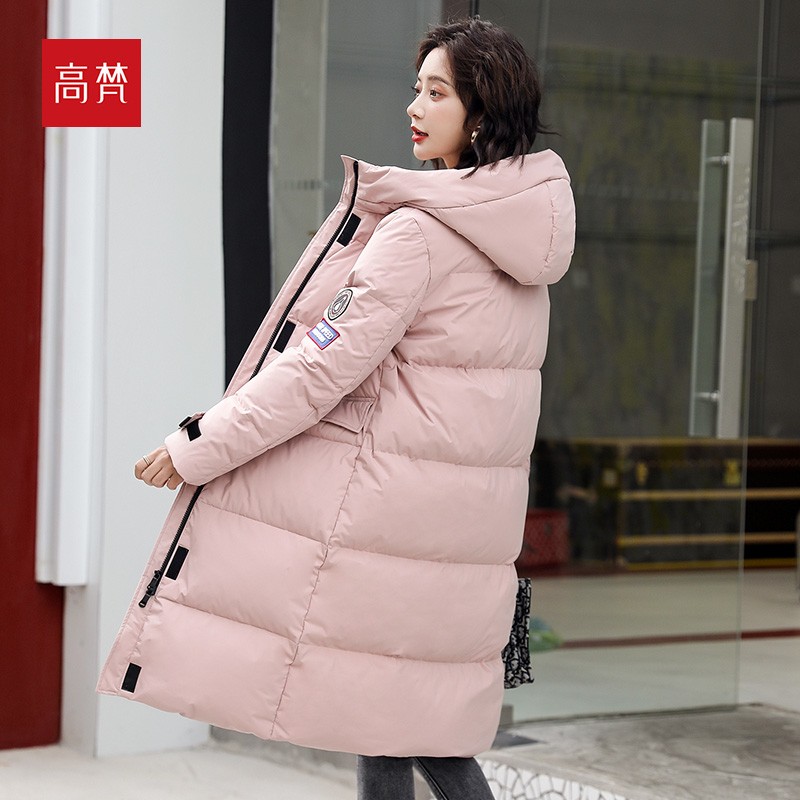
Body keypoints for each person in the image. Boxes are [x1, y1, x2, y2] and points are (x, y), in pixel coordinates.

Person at [97, 15, 574, 800]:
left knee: (410, 736)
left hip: (392, 529)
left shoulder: (418, 235)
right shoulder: (523, 248)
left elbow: (316, 370)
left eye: (437, 92)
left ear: (480, 112)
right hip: (459, 540)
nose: (413, 107)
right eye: (415, 88)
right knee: (396, 727)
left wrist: (198, 444)